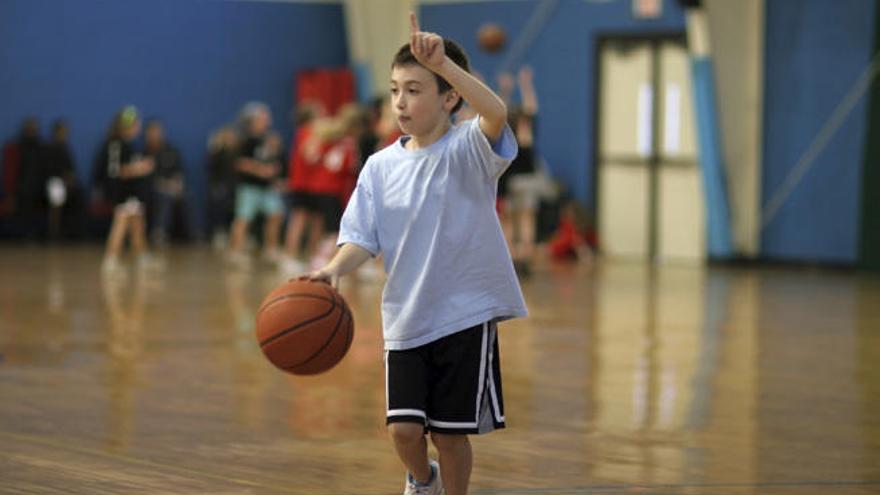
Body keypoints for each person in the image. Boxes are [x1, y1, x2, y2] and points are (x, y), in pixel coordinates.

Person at [306, 13, 527, 495]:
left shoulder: (469, 148)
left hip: (465, 315)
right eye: (394, 90)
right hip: (406, 317)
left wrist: (445, 64)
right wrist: (332, 269)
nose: (400, 102)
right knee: (403, 432)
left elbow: (495, 113)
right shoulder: (380, 167)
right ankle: (421, 479)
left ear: (448, 96)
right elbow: (361, 235)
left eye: (414, 89)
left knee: (450, 435)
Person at [97, 106, 161, 274]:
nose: (138, 127)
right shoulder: (118, 144)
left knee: (137, 223)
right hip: (121, 191)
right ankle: (110, 261)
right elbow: (120, 171)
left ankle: (142, 256)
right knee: (121, 224)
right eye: (136, 124)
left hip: (131, 191)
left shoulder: (125, 144)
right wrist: (142, 167)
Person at [226, 102, 285, 268]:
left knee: (276, 214)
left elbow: (272, 161)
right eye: (262, 117)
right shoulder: (245, 140)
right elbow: (239, 163)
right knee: (243, 218)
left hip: (267, 187)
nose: (266, 120)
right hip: (249, 187)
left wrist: (274, 171)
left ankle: (271, 249)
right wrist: (260, 170)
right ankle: (236, 252)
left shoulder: (268, 139)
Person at [497, 67, 541, 277]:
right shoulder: (526, 132)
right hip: (528, 180)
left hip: (510, 181)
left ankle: (511, 259)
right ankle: (525, 258)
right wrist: (525, 83)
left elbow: (498, 109)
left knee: (509, 222)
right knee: (526, 221)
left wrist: (505, 89)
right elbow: (531, 108)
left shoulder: (504, 133)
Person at [144, 119, 191, 245]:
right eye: (152, 132)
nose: (155, 134)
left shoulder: (171, 150)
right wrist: (166, 186)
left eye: (157, 131)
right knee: (164, 197)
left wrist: (177, 185)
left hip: (173, 187)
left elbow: (179, 172)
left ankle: (192, 234)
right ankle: (159, 232)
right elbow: (150, 178)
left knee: (187, 196)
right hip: (153, 190)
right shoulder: (144, 152)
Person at [43, 119, 85, 240]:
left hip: (67, 183)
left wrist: (70, 178)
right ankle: (54, 233)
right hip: (53, 181)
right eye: (62, 131)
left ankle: (73, 232)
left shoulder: (66, 148)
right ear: (55, 132)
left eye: (66, 132)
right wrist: (63, 177)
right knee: (57, 193)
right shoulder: (49, 148)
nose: (65, 134)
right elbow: (49, 169)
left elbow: (71, 169)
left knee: (79, 192)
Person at [206, 126, 239, 249]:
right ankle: (219, 232)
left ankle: (235, 234)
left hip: (235, 186)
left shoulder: (237, 152)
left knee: (236, 210)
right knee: (219, 205)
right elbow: (211, 168)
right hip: (220, 186)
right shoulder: (217, 152)